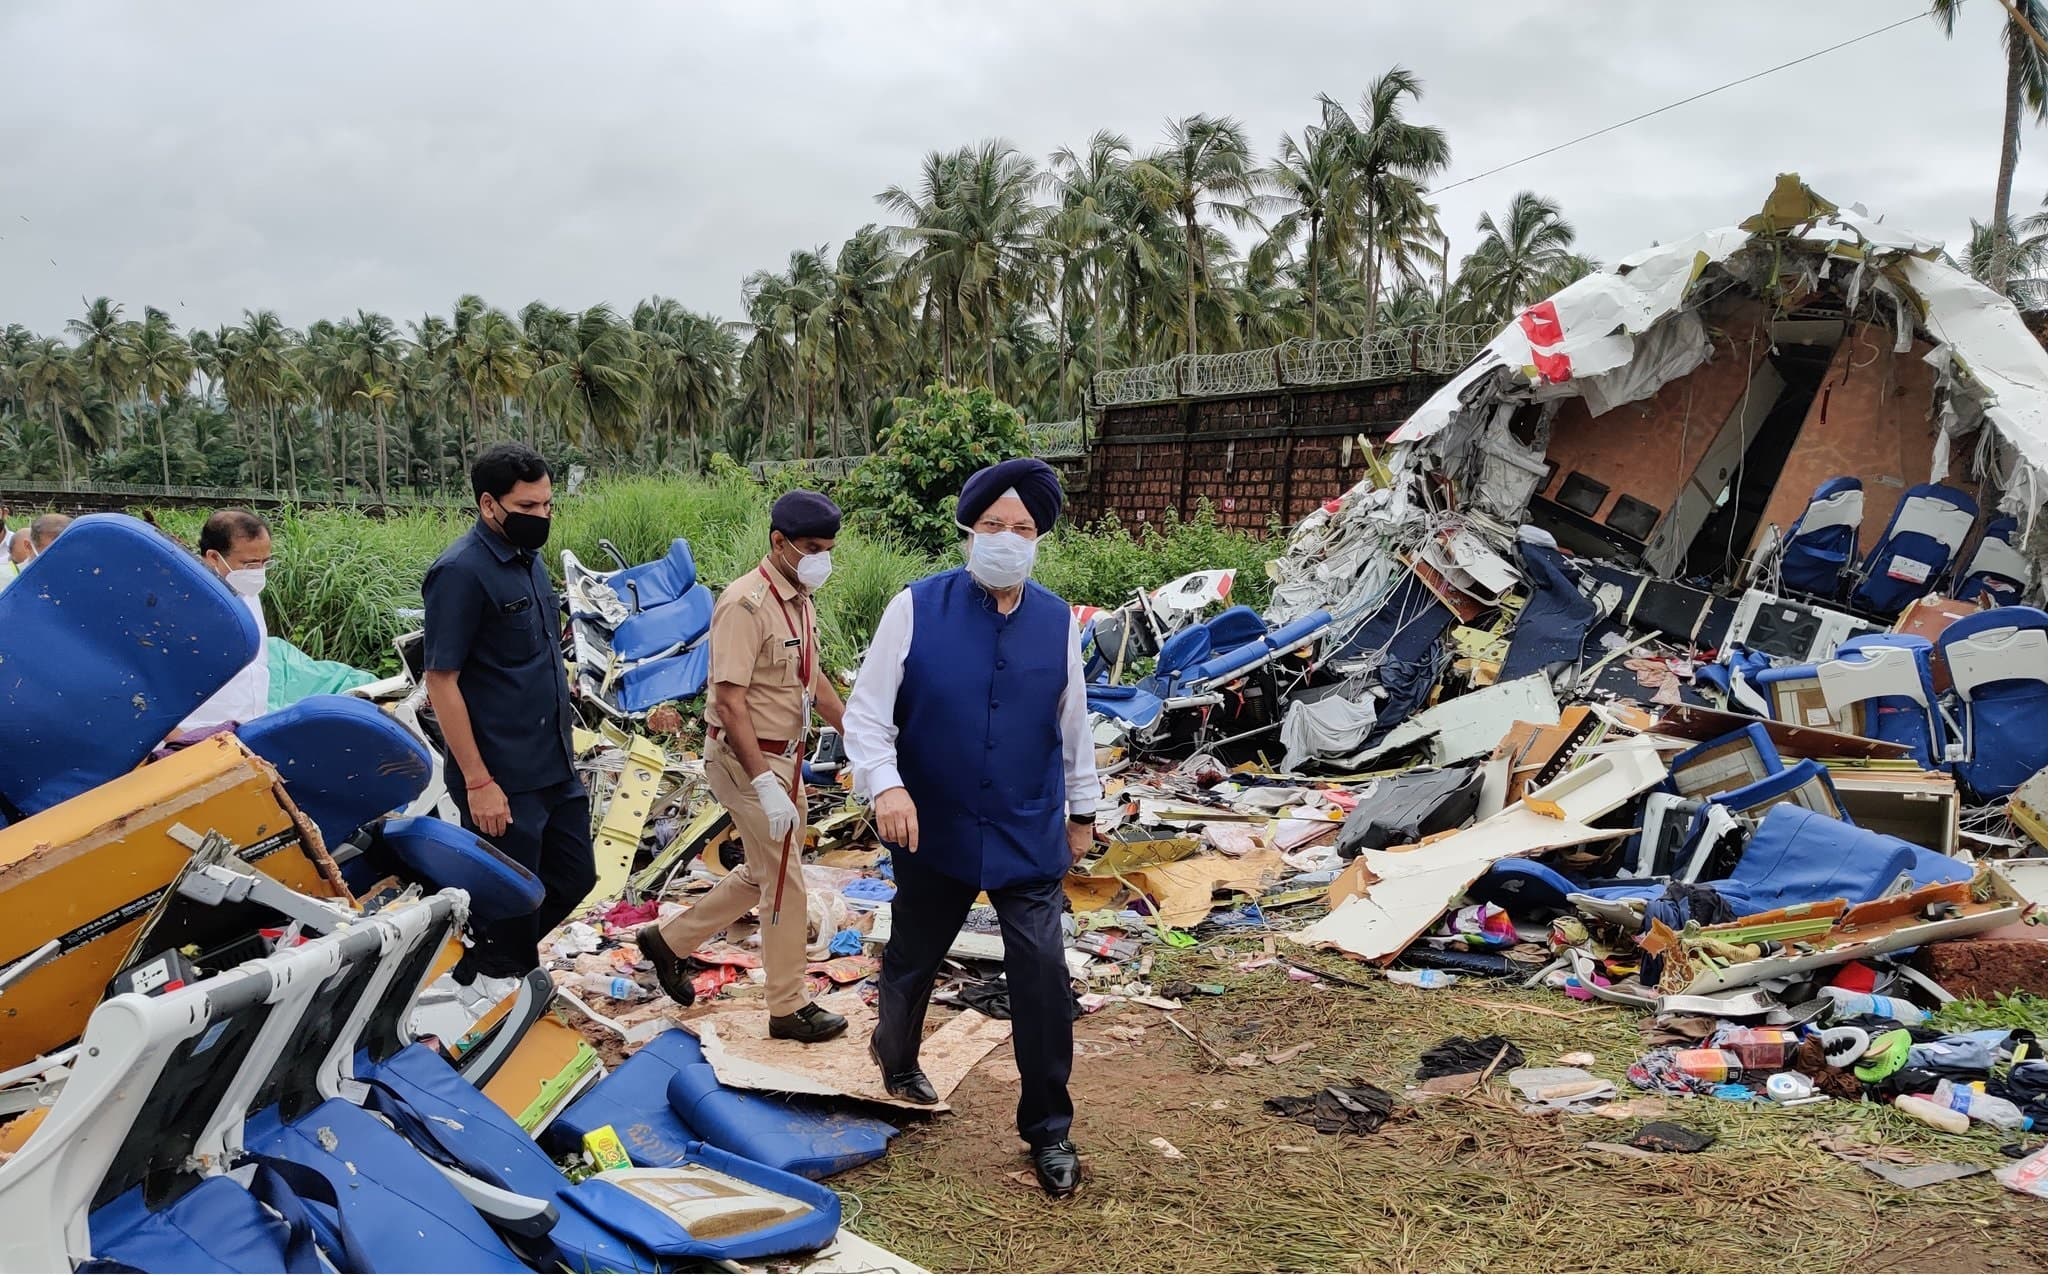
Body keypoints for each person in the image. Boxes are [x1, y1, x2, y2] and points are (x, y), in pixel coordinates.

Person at [841, 457, 1100, 1198]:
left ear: (1040, 538)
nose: (1006, 539)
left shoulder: (1057, 622)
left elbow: (1072, 726)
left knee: (1043, 976)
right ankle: (895, 1054)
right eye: (992, 526)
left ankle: (1049, 1129)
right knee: (915, 955)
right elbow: (866, 714)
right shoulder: (915, 607)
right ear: (968, 530)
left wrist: (1082, 814)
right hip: (933, 822)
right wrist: (886, 786)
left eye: (1021, 528)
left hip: (1024, 827)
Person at [638, 490, 852, 1043]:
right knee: (785, 881)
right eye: (810, 547)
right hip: (745, 760)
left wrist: (856, 731)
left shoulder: (799, 599)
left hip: (786, 757)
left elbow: (811, 677)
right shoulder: (744, 604)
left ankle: (668, 943)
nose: (819, 558)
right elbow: (729, 702)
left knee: (765, 871)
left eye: (827, 548)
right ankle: (788, 1007)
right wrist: (763, 782)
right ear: (778, 542)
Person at [422, 443, 594, 1008]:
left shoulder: (528, 559)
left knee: (574, 878)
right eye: (528, 505)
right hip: (502, 774)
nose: (541, 516)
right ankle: (501, 989)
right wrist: (477, 781)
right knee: (515, 898)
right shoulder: (460, 573)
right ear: (489, 504)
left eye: (547, 505)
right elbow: (441, 682)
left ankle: (487, 959)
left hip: (555, 762)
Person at [177, 510, 274, 734]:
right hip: (195, 738)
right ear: (213, 557)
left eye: (265, 562)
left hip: (246, 731)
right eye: (250, 564)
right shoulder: (181, 602)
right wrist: (179, 740)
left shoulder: (246, 590)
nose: (258, 572)